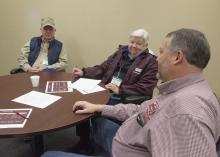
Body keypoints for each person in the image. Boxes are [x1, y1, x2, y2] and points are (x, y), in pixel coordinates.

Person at [42, 28, 220, 157]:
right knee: (95, 119)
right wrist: (99, 107)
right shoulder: (176, 90)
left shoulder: (186, 113)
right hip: (132, 135)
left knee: (48, 155)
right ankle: (87, 143)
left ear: (177, 57)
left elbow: (144, 90)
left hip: (129, 143)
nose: (157, 57)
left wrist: (120, 90)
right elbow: (140, 110)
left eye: (161, 52)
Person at [72, 29, 158, 155]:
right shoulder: (120, 52)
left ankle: (94, 144)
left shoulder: (150, 61)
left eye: (138, 43)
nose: (133, 46)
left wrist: (121, 90)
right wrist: (84, 72)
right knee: (82, 103)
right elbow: (103, 68)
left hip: (123, 98)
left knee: (91, 111)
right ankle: (84, 142)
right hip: (106, 90)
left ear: (146, 46)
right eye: (132, 42)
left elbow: (146, 87)